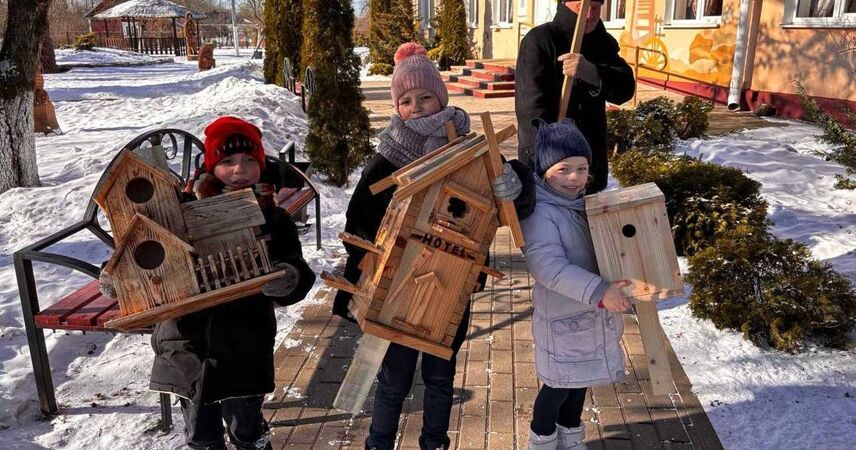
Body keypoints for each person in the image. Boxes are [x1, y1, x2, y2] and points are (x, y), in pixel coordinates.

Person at [331, 43, 533, 450]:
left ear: (441, 98)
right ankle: (380, 442)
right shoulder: (386, 161)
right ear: (397, 107)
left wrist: (516, 185)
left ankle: (435, 442)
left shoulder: (465, 148)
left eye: (425, 97)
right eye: (405, 100)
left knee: (441, 372)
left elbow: (515, 193)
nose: (416, 106)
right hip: (396, 287)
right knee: (394, 377)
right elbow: (359, 221)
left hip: (452, 279)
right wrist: (372, 264)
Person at [149, 116, 316, 450]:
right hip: (187, 345)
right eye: (227, 162)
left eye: (249, 161)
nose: (240, 170)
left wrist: (289, 277)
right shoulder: (184, 214)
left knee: (247, 431)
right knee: (201, 436)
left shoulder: (273, 216)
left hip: (245, 344)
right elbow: (152, 255)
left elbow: (297, 265)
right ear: (211, 167)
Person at [521, 119, 643, 450]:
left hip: (589, 318)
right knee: (557, 387)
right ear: (545, 170)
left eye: (582, 168)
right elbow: (550, 268)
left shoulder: (583, 205)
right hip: (564, 321)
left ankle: (571, 438)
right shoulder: (540, 213)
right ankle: (542, 441)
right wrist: (601, 292)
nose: (575, 178)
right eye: (564, 169)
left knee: (579, 384)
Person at [515, 0, 636, 194]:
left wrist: (594, 73)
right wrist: (547, 162)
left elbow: (626, 88)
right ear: (565, 3)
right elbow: (531, 111)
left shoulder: (602, 42)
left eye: (595, 8)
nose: (590, 15)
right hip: (551, 167)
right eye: (583, 7)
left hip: (590, 164)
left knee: (589, 222)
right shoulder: (540, 40)